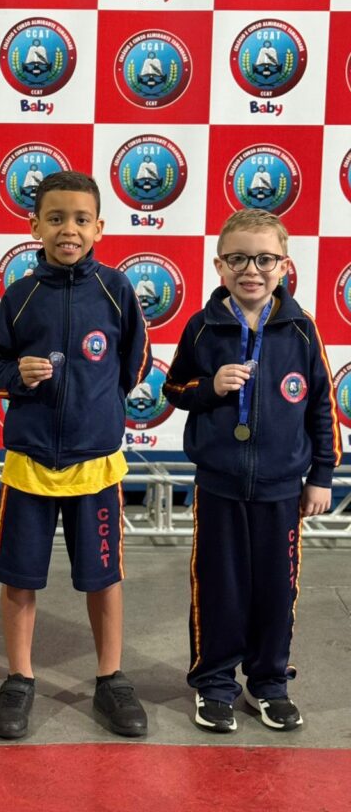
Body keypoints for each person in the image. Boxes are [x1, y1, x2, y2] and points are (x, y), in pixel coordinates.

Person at [0, 170, 152, 740]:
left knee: (103, 577)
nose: (68, 230)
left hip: (95, 463)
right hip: (30, 464)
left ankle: (110, 677)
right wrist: (18, 376)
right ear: (35, 226)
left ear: (99, 227)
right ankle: (19, 678)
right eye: (55, 219)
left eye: (80, 219)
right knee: (19, 578)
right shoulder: (20, 295)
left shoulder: (116, 290)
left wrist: (98, 407)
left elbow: (134, 364)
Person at [164, 209, 341, 734]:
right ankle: (215, 684)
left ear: (284, 265)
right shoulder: (202, 327)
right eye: (238, 258)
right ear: (219, 265)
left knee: (276, 592)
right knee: (219, 589)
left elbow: (322, 407)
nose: (251, 270)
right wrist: (209, 387)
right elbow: (173, 389)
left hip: (281, 489)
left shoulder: (302, 330)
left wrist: (322, 475)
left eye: (264, 259)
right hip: (219, 485)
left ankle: (269, 683)